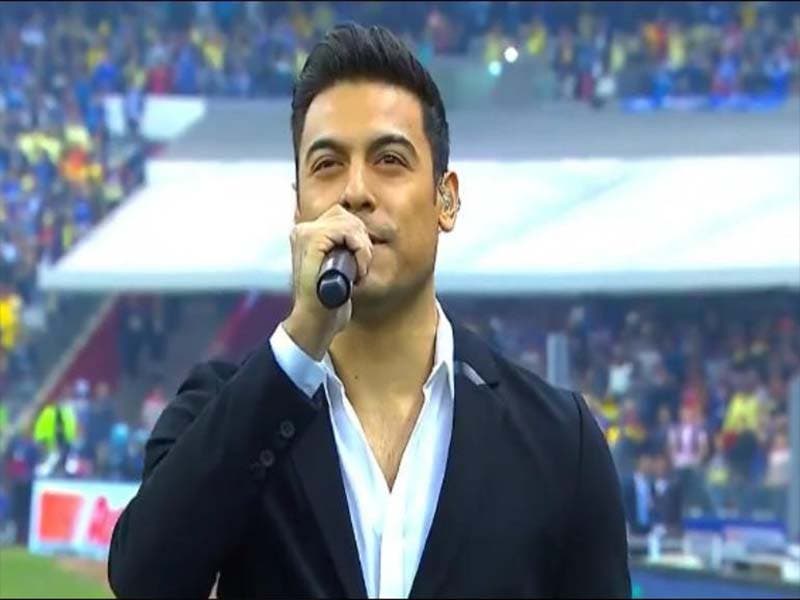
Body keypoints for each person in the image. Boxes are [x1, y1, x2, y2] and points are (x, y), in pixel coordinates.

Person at [108, 23, 630, 599]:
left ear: (447, 199)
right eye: (327, 165)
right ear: (299, 207)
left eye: (389, 159)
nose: (355, 190)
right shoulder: (224, 410)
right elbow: (144, 580)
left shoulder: (559, 441)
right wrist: (300, 340)